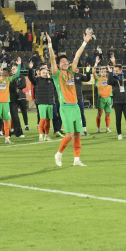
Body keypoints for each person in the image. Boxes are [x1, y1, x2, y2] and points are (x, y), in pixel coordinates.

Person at [49, 30, 93, 167]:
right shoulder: (56, 74)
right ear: (58, 64)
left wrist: (85, 42)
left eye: (66, 61)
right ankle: (59, 154)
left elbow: (77, 56)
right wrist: (50, 45)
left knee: (78, 134)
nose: (65, 63)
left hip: (75, 106)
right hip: (65, 107)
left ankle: (76, 160)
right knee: (69, 134)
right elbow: (51, 59)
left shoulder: (71, 72)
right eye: (62, 62)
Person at [107, 56, 126, 140]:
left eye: (116, 71)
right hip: (117, 101)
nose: (115, 72)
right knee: (118, 119)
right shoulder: (114, 78)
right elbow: (109, 82)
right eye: (114, 71)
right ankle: (119, 134)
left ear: (121, 70)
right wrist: (110, 73)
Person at [28, 61, 55, 142]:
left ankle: (46, 136)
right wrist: (30, 68)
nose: (45, 73)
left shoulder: (51, 80)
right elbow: (30, 76)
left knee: (48, 120)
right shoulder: (36, 80)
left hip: (49, 102)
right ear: (39, 73)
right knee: (42, 119)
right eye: (43, 72)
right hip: (41, 103)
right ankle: (40, 136)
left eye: (46, 72)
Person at [92, 56, 112, 133]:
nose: (103, 72)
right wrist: (96, 63)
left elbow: (115, 74)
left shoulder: (109, 78)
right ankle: (98, 129)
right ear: (100, 72)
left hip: (109, 98)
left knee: (108, 114)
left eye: (104, 71)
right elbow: (93, 72)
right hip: (101, 98)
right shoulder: (98, 79)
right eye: (102, 71)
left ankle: (107, 128)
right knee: (99, 113)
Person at [73, 65, 91, 137]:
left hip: (79, 98)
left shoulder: (79, 75)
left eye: (77, 68)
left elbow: (87, 78)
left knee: (82, 114)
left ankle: (84, 130)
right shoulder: (68, 75)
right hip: (71, 99)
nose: (76, 69)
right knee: (73, 115)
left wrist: (87, 72)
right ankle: (75, 130)